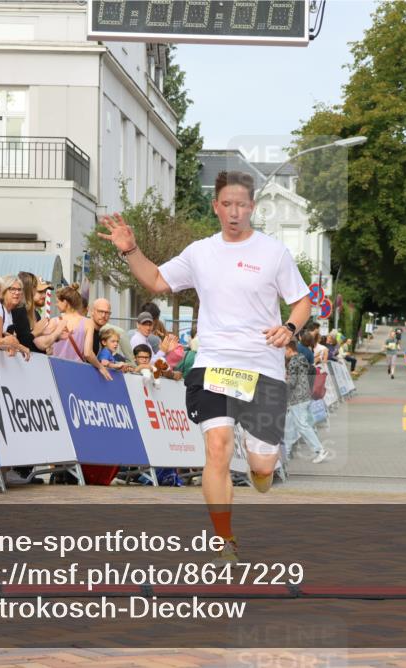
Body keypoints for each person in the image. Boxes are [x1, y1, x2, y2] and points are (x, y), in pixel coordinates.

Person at [97, 169, 311, 564]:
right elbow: (157, 280)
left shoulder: (274, 253)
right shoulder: (200, 252)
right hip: (214, 362)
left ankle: (262, 470)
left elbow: (302, 301)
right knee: (217, 448)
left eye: (241, 205)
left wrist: (289, 328)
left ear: (253, 207)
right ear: (216, 207)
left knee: (263, 466)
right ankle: (224, 541)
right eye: (227, 204)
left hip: (262, 366)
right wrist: (130, 249)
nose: (234, 212)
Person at [282, 341, 333, 464]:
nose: (283, 353)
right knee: (293, 424)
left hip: (297, 398)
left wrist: (283, 382)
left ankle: (319, 450)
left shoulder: (293, 362)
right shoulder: (302, 358)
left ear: (289, 349)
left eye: (284, 350)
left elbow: (292, 382)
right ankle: (286, 452)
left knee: (302, 425)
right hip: (305, 395)